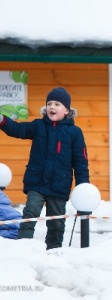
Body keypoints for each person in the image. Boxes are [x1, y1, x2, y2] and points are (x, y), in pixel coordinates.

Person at [0, 87, 89, 250]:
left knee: (56, 222)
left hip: (59, 185)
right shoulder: (38, 126)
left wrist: (83, 189)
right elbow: (18, 129)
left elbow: (81, 163)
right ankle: (23, 247)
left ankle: (53, 251)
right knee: (30, 213)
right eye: (49, 103)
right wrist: (2, 121)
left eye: (57, 104)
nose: (52, 107)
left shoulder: (74, 133)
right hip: (37, 183)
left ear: (67, 110)